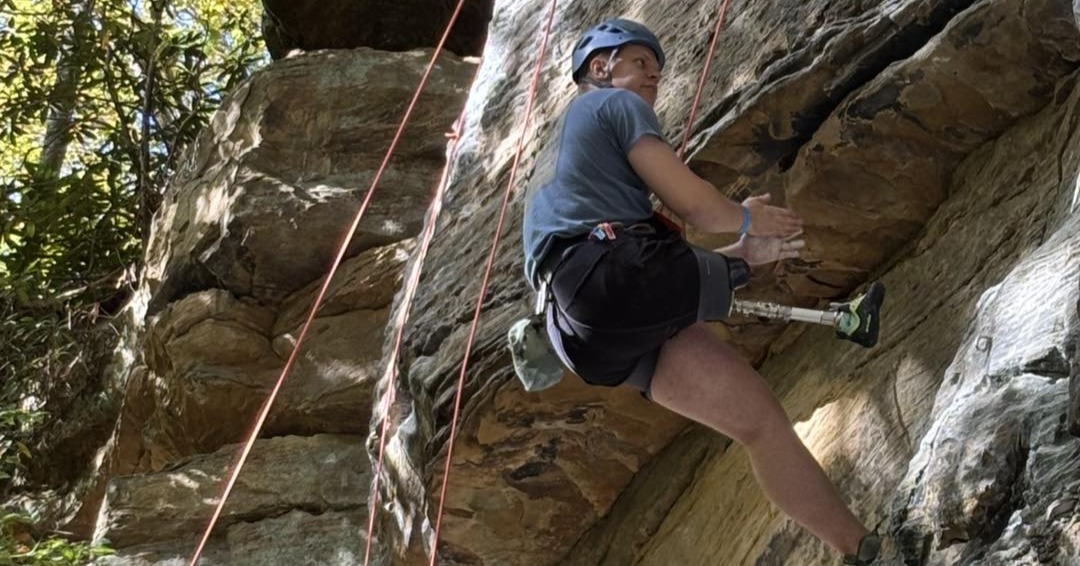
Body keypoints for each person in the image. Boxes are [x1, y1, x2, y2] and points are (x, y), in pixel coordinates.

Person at [520, 18, 881, 565]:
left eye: (657, 70)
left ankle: (865, 551)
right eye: (641, 62)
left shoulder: (561, 166)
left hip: (578, 331)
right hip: (605, 278)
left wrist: (739, 251)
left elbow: (650, 279)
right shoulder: (612, 104)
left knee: (760, 423)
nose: (653, 77)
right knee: (678, 256)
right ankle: (737, 265)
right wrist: (747, 218)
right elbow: (694, 205)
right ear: (600, 67)